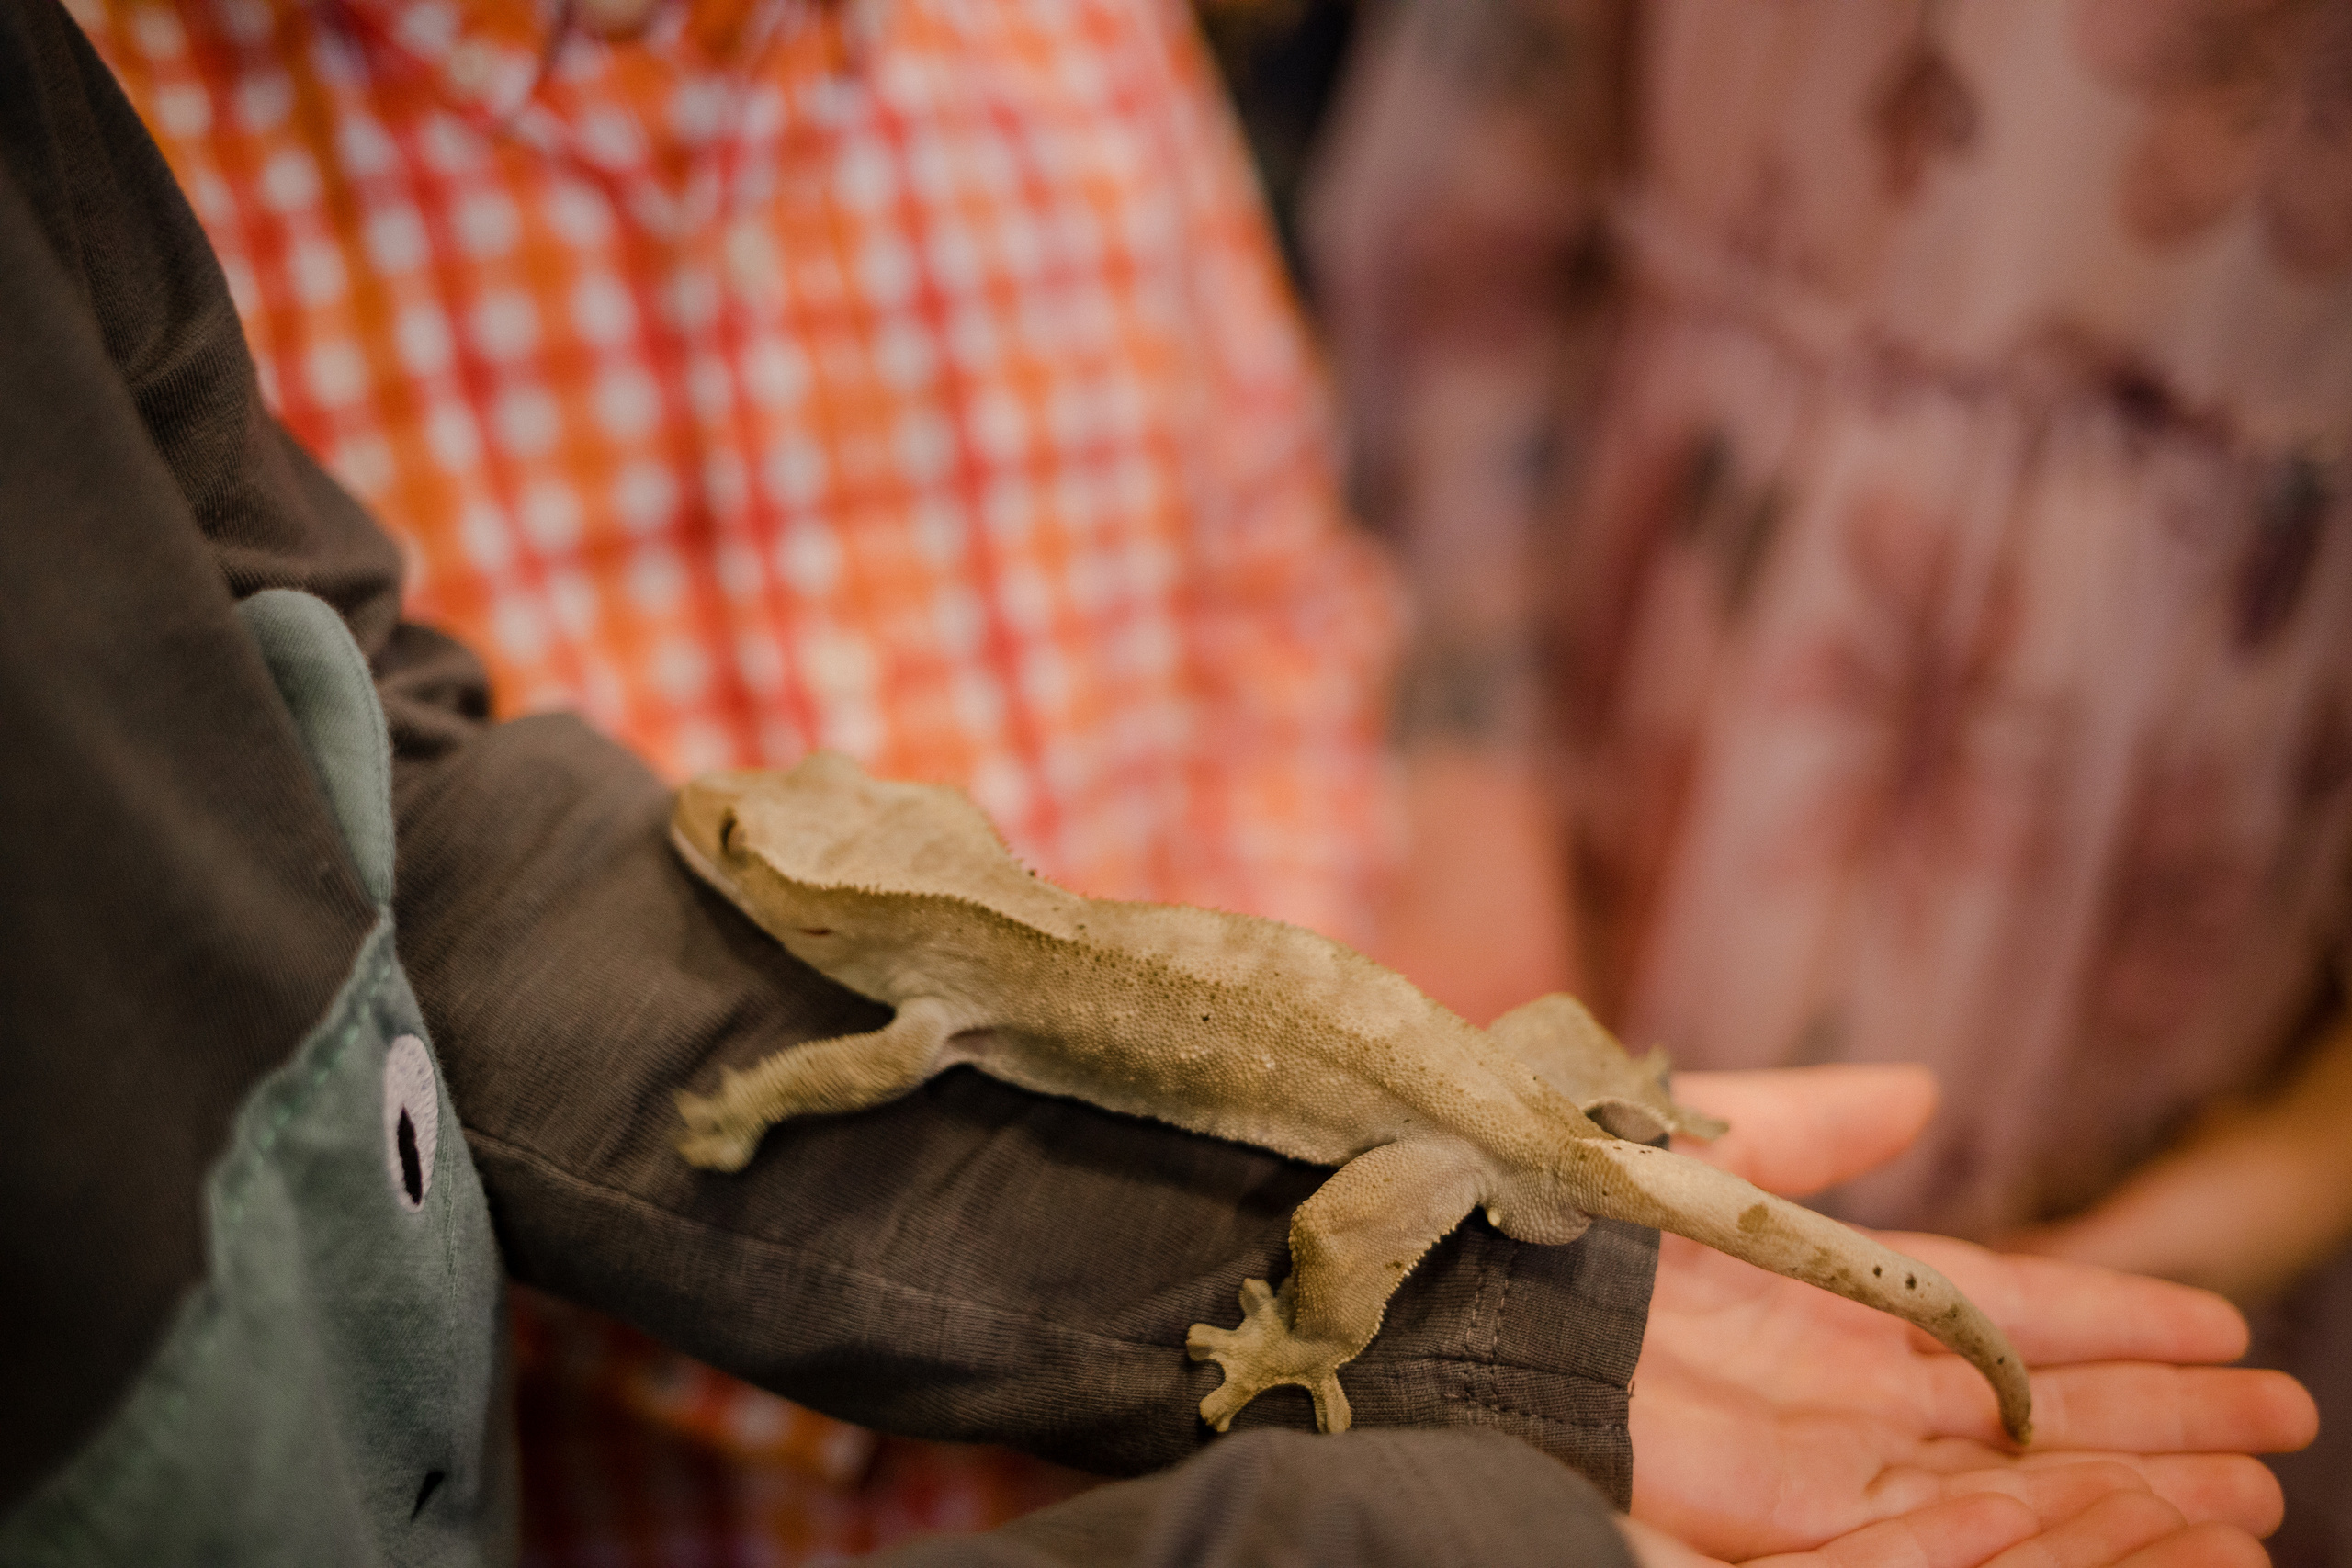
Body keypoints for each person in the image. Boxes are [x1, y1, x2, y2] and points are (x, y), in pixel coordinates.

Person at [0, 5, 2320, 1561]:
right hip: (714, 1461)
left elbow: (1283, 611)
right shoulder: (123, 119)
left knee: (1421, 1204)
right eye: (732, 841)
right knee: (1548, 1122)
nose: (698, 826)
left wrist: (1320, 1343)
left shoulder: (1079, 50)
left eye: (741, 834)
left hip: (1428, 1128)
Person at [64, 0, 1400, 1547]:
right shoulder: (102, 143)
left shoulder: (1088, 35)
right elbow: (261, 977)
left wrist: (1225, 1148)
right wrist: (968, 1304)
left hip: (1226, 1438)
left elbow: (1278, 606)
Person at [1306, 0, 2352, 1559]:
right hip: (1603, 764)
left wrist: (2227, 1212)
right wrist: (1479, 830)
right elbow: (1468, 229)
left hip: (2223, 1012)